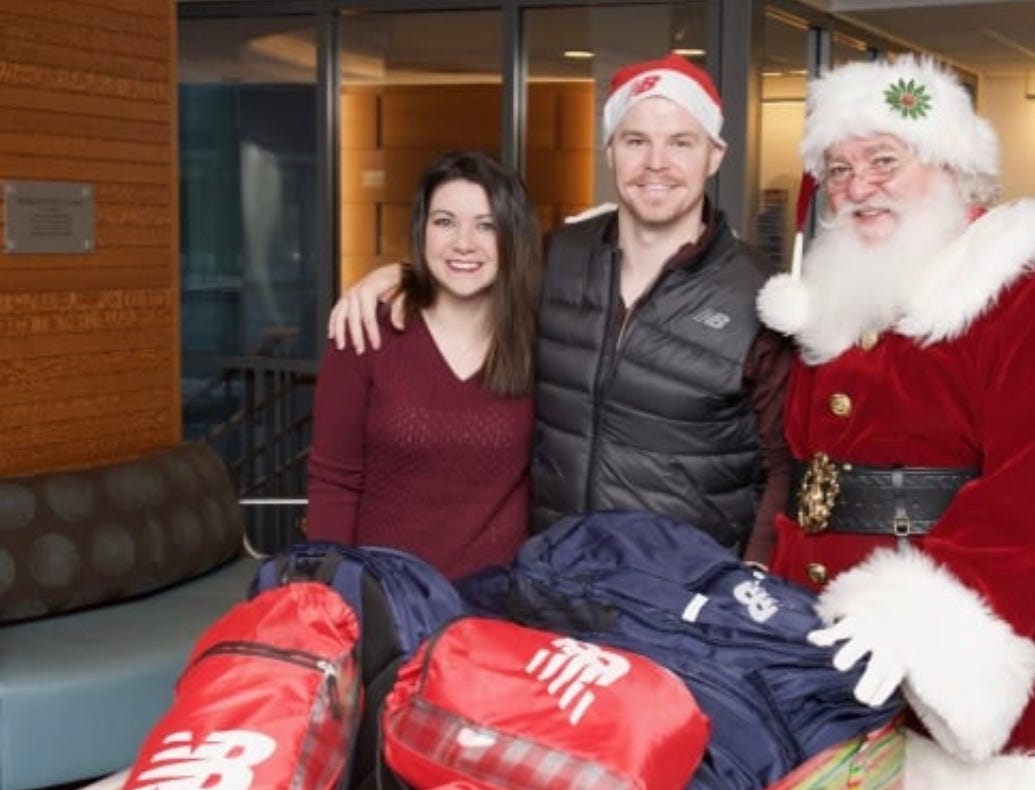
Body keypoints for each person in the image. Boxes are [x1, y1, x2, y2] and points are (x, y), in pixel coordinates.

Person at [755, 56, 1035, 790]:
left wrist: (914, 630)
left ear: (955, 166)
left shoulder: (1032, 284)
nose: (859, 187)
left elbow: (1032, 488)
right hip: (829, 659)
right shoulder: (844, 290)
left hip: (961, 658)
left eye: (885, 160)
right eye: (841, 168)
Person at [328, 54, 791, 565]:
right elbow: (473, 269)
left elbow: (783, 466)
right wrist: (401, 276)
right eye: (636, 141)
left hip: (683, 598)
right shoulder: (560, 258)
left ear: (715, 154)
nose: (656, 163)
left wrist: (752, 580)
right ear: (610, 152)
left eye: (681, 142)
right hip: (554, 584)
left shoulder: (763, 296)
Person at [307, 150, 541, 580]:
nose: (463, 243)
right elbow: (334, 485)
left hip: (497, 613)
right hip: (385, 603)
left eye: (486, 225)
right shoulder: (365, 336)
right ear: (421, 231)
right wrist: (328, 593)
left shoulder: (541, 340)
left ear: (514, 237)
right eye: (444, 222)